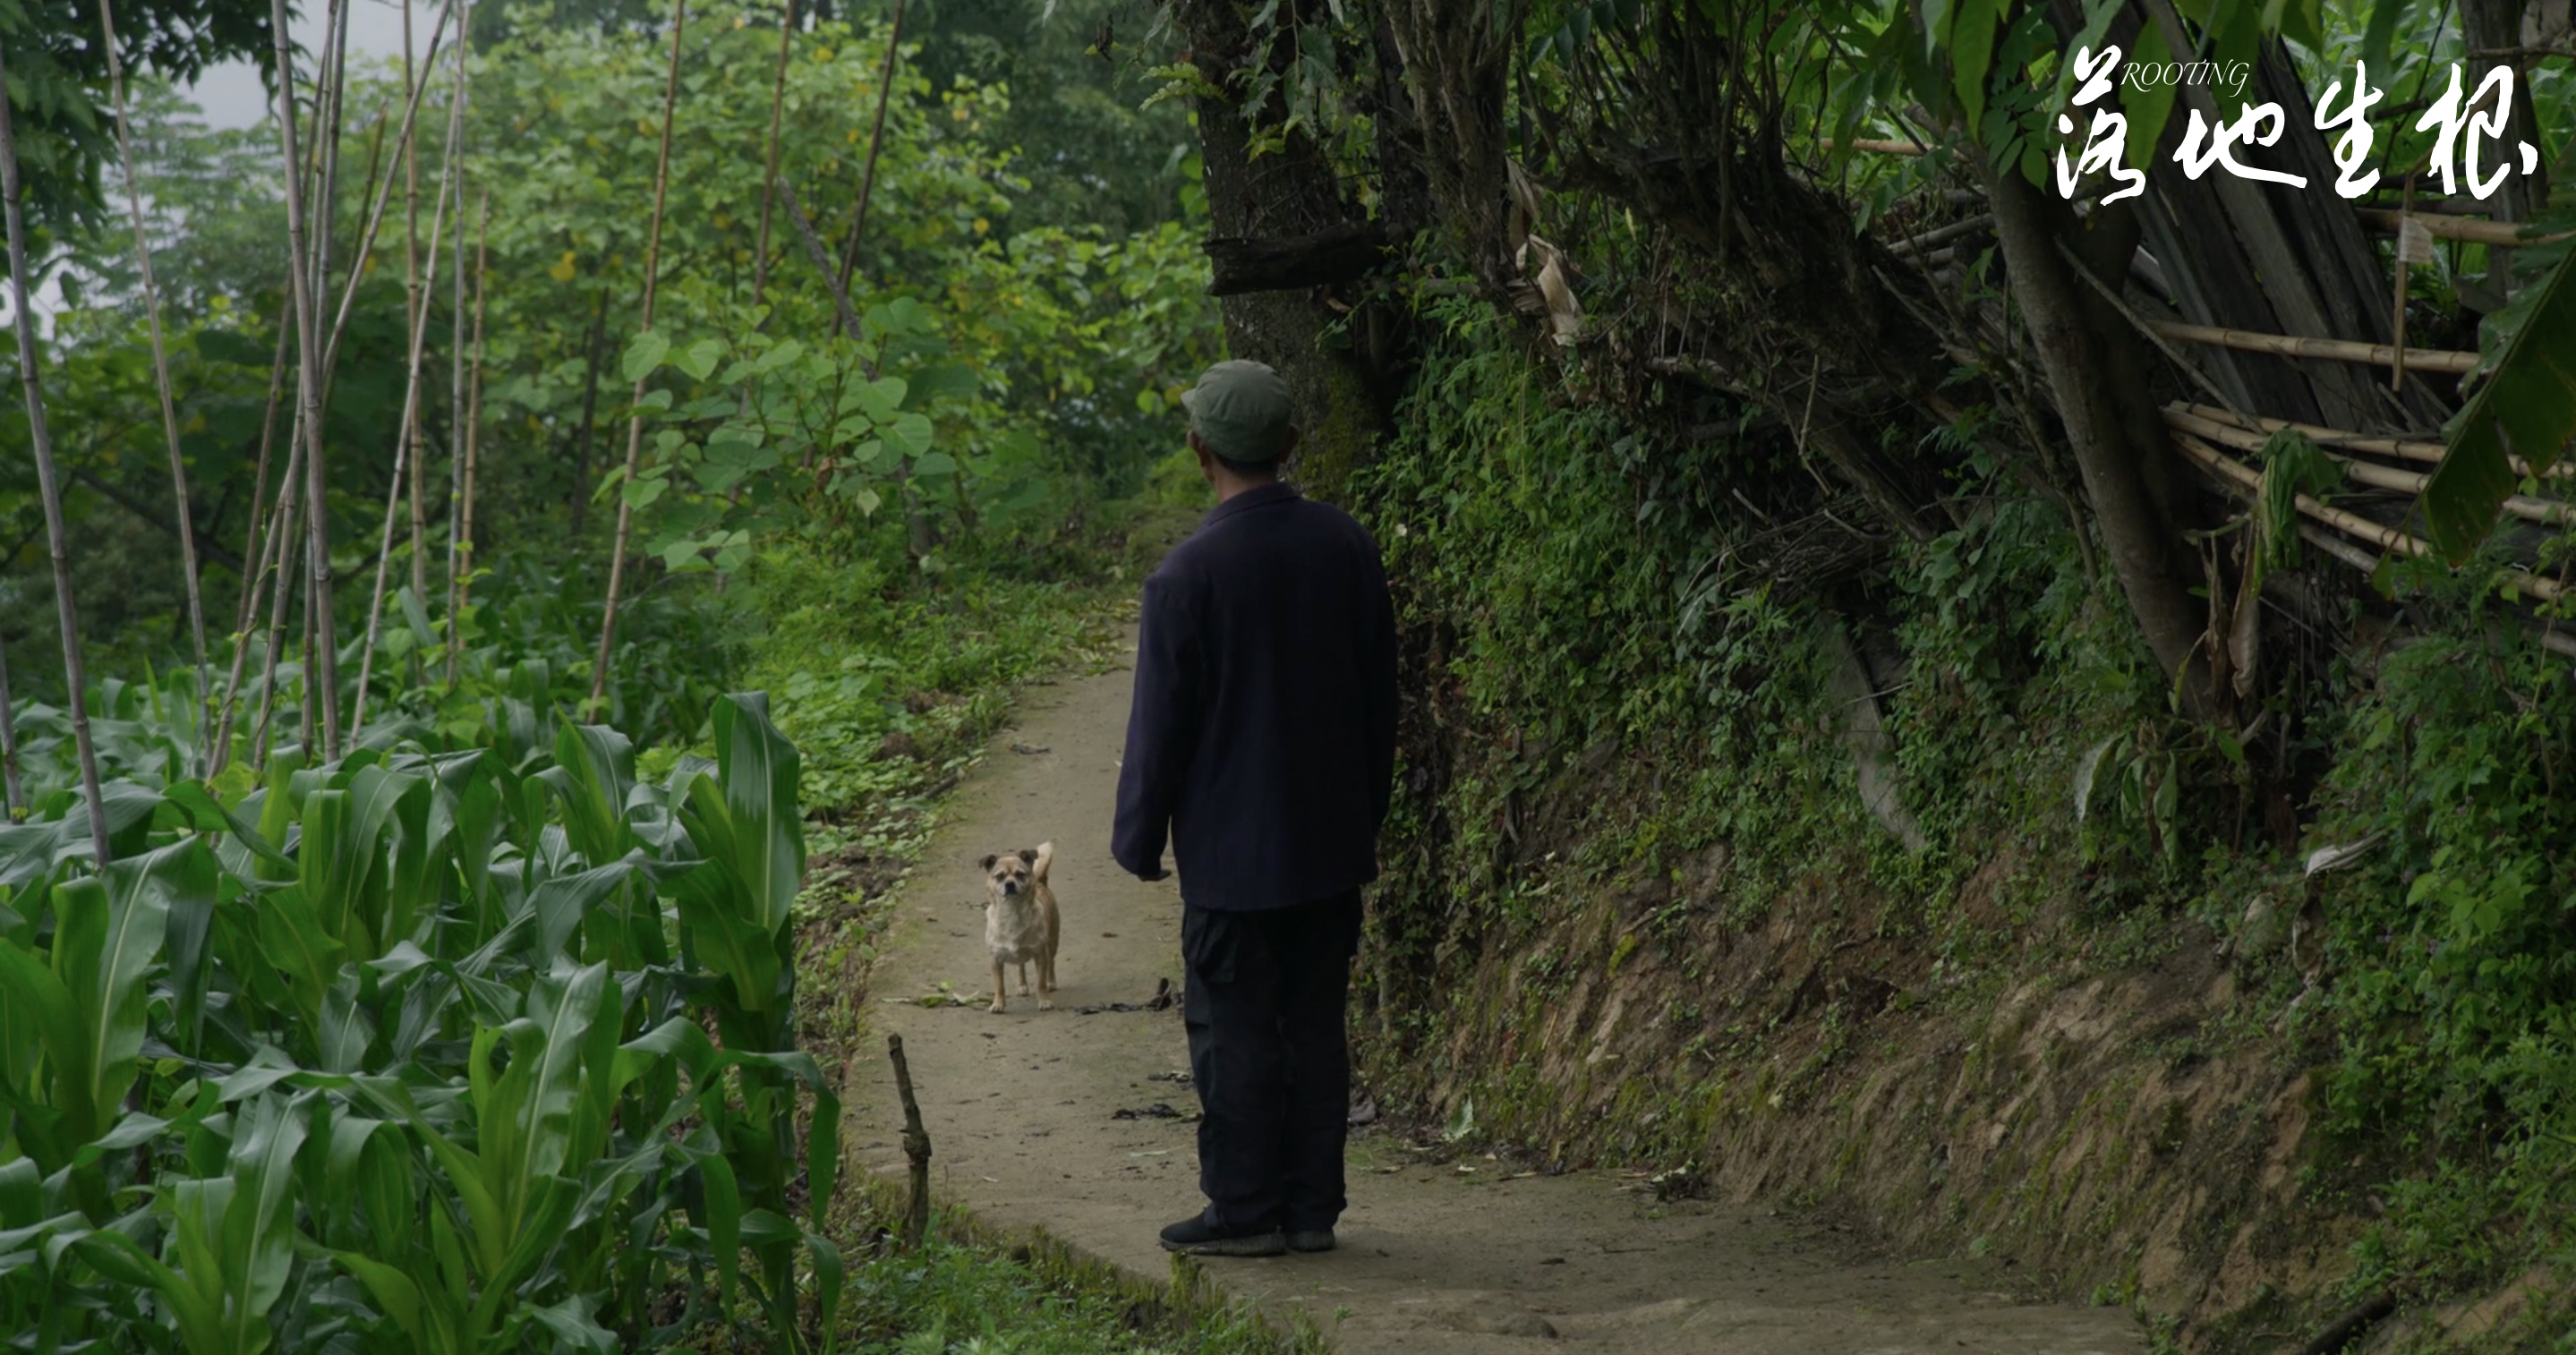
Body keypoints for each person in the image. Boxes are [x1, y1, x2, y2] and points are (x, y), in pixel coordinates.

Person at [1112, 359, 1399, 1257]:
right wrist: (1365, 813)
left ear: (1200, 450)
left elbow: (1159, 729)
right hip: (1327, 843)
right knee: (1314, 1022)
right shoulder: (1345, 545)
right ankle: (1311, 1208)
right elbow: (1378, 698)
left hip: (1233, 860)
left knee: (1232, 1028)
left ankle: (1242, 1210)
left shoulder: (1185, 577)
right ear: (1291, 443)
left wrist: (1138, 837)